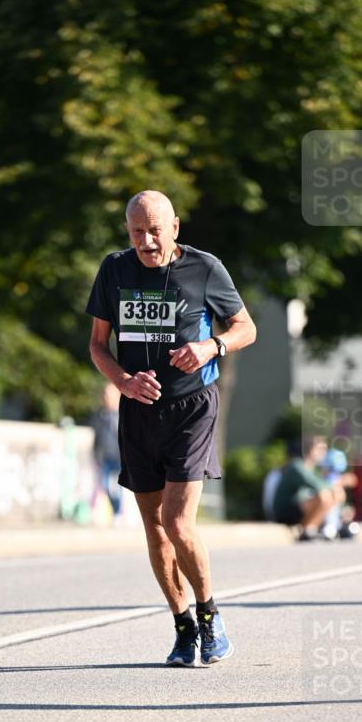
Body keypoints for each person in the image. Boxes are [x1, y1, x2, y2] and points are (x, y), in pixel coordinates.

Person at [87, 190, 256, 666]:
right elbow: (98, 345)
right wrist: (122, 380)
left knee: (177, 523)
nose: (147, 240)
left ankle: (209, 613)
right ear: (127, 231)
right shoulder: (114, 270)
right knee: (154, 529)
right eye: (137, 231)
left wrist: (211, 347)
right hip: (138, 411)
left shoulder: (204, 268)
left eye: (156, 229)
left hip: (191, 406)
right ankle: (182, 624)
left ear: (175, 227)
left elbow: (247, 327)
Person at [271, 436, 356, 541]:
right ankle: (309, 529)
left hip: (300, 508)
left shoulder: (313, 469)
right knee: (324, 496)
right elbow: (319, 486)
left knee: (337, 493)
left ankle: (325, 527)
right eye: (321, 449)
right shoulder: (297, 466)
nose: (324, 452)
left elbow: (324, 485)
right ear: (310, 450)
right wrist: (341, 481)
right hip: (286, 511)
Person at [90, 382, 122, 520]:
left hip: (120, 458)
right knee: (104, 485)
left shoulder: (122, 415)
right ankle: (113, 512)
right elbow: (96, 438)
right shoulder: (99, 415)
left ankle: (118, 512)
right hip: (105, 458)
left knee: (118, 487)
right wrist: (95, 455)